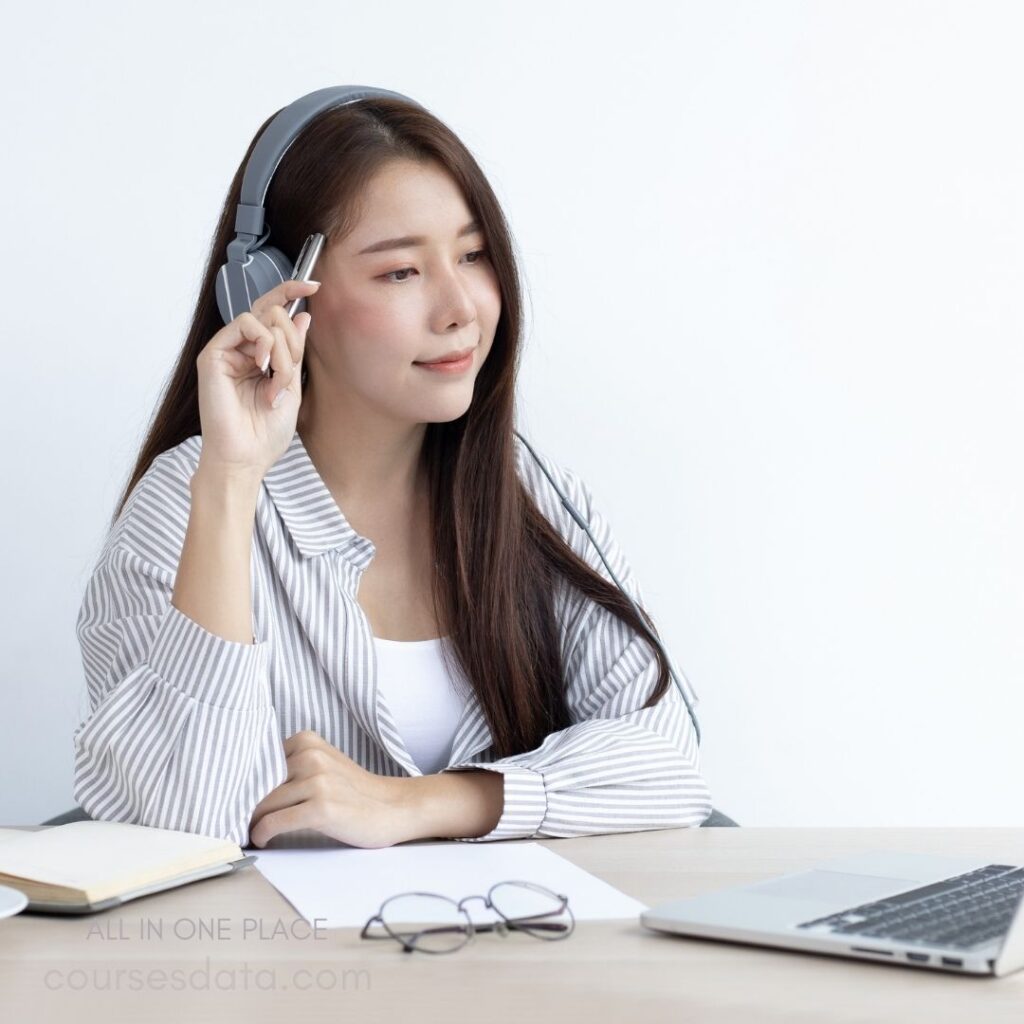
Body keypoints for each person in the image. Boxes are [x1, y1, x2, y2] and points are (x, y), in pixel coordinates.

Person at [72, 96, 713, 849]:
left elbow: (672, 761)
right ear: (270, 294)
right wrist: (231, 481)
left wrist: (418, 804)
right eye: (402, 271)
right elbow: (184, 824)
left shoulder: (533, 497)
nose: (459, 309)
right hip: (282, 962)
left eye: (474, 257)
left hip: (500, 957)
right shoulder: (186, 510)